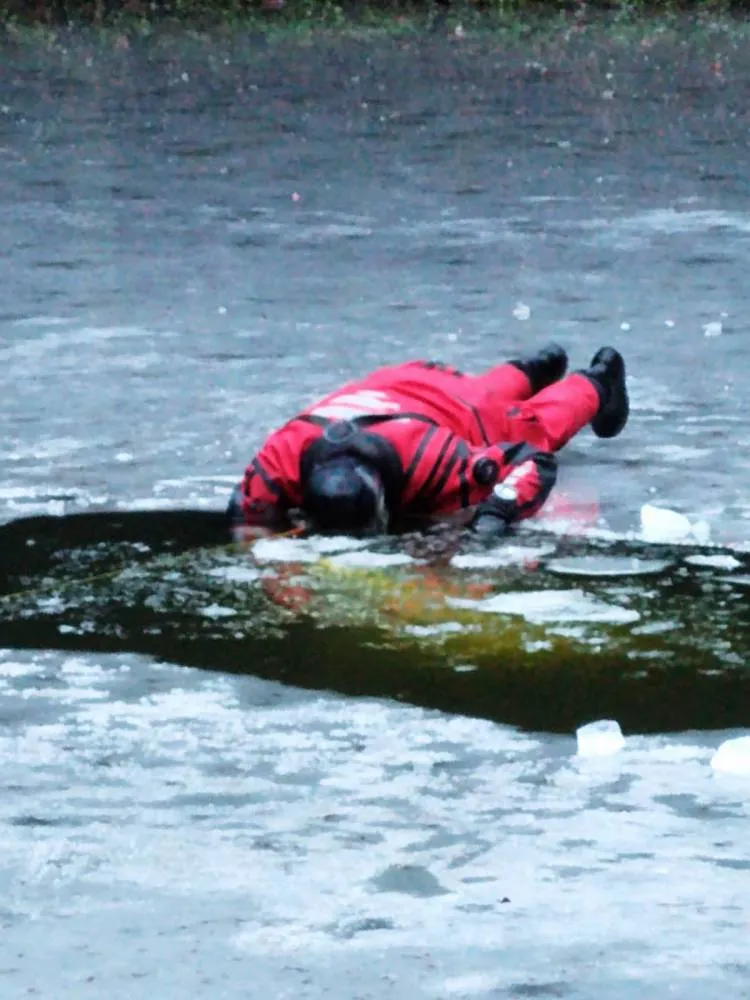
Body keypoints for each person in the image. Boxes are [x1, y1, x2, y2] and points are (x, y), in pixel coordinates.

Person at [228, 344, 629, 540]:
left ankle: (597, 382)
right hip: (404, 382)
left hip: (454, 408)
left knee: (527, 426)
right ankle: (533, 366)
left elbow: (531, 460)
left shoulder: (434, 458)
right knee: (476, 391)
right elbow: (245, 510)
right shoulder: (283, 454)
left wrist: (496, 514)